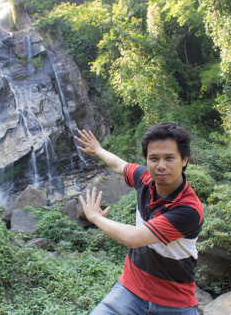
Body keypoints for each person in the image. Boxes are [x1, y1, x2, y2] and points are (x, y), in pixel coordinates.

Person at [75, 122, 203, 315]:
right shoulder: (144, 177)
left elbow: (133, 238)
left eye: (169, 158)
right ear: (147, 160)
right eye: (154, 158)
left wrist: (94, 217)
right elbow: (119, 165)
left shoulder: (188, 209)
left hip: (174, 303)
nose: (161, 166)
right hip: (130, 290)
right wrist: (99, 150)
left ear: (184, 160)